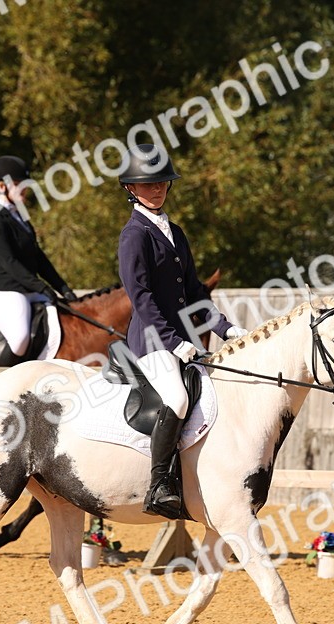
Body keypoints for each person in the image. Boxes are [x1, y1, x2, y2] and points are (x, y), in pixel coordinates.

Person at [116, 144, 249, 518]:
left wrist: (225, 328)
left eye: (162, 183)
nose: (157, 189)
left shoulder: (174, 231)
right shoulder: (134, 235)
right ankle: (159, 485)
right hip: (152, 341)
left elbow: (193, 292)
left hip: (183, 341)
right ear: (131, 188)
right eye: (148, 184)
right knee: (176, 399)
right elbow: (140, 296)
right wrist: (173, 340)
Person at [0, 155, 78, 366]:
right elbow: (9, 262)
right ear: (1, 186)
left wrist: (64, 288)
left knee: (69, 320)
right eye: (17, 184)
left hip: (28, 290)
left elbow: (39, 259)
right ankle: (0, 384)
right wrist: (42, 288)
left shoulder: (21, 218)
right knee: (20, 339)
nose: (24, 189)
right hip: (4, 291)